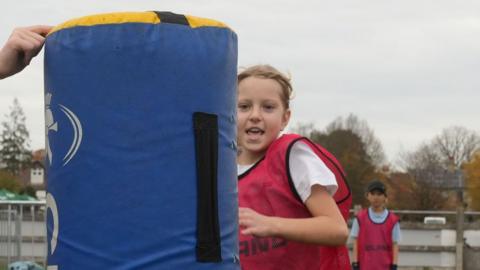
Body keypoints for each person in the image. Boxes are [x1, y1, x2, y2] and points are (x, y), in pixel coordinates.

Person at [237, 64, 350, 269]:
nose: (255, 115)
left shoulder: (293, 157)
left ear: (285, 118)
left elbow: (337, 229)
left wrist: (271, 224)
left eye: (268, 107)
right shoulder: (220, 167)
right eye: (244, 106)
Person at [350, 180, 401, 270]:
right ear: (367, 196)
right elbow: (355, 243)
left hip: (385, 266)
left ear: (385, 197)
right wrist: (355, 263)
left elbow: (395, 244)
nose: (375, 197)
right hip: (364, 266)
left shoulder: (393, 220)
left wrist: (394, 265)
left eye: (379, 194)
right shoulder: (360, 218)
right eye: (372, 194)